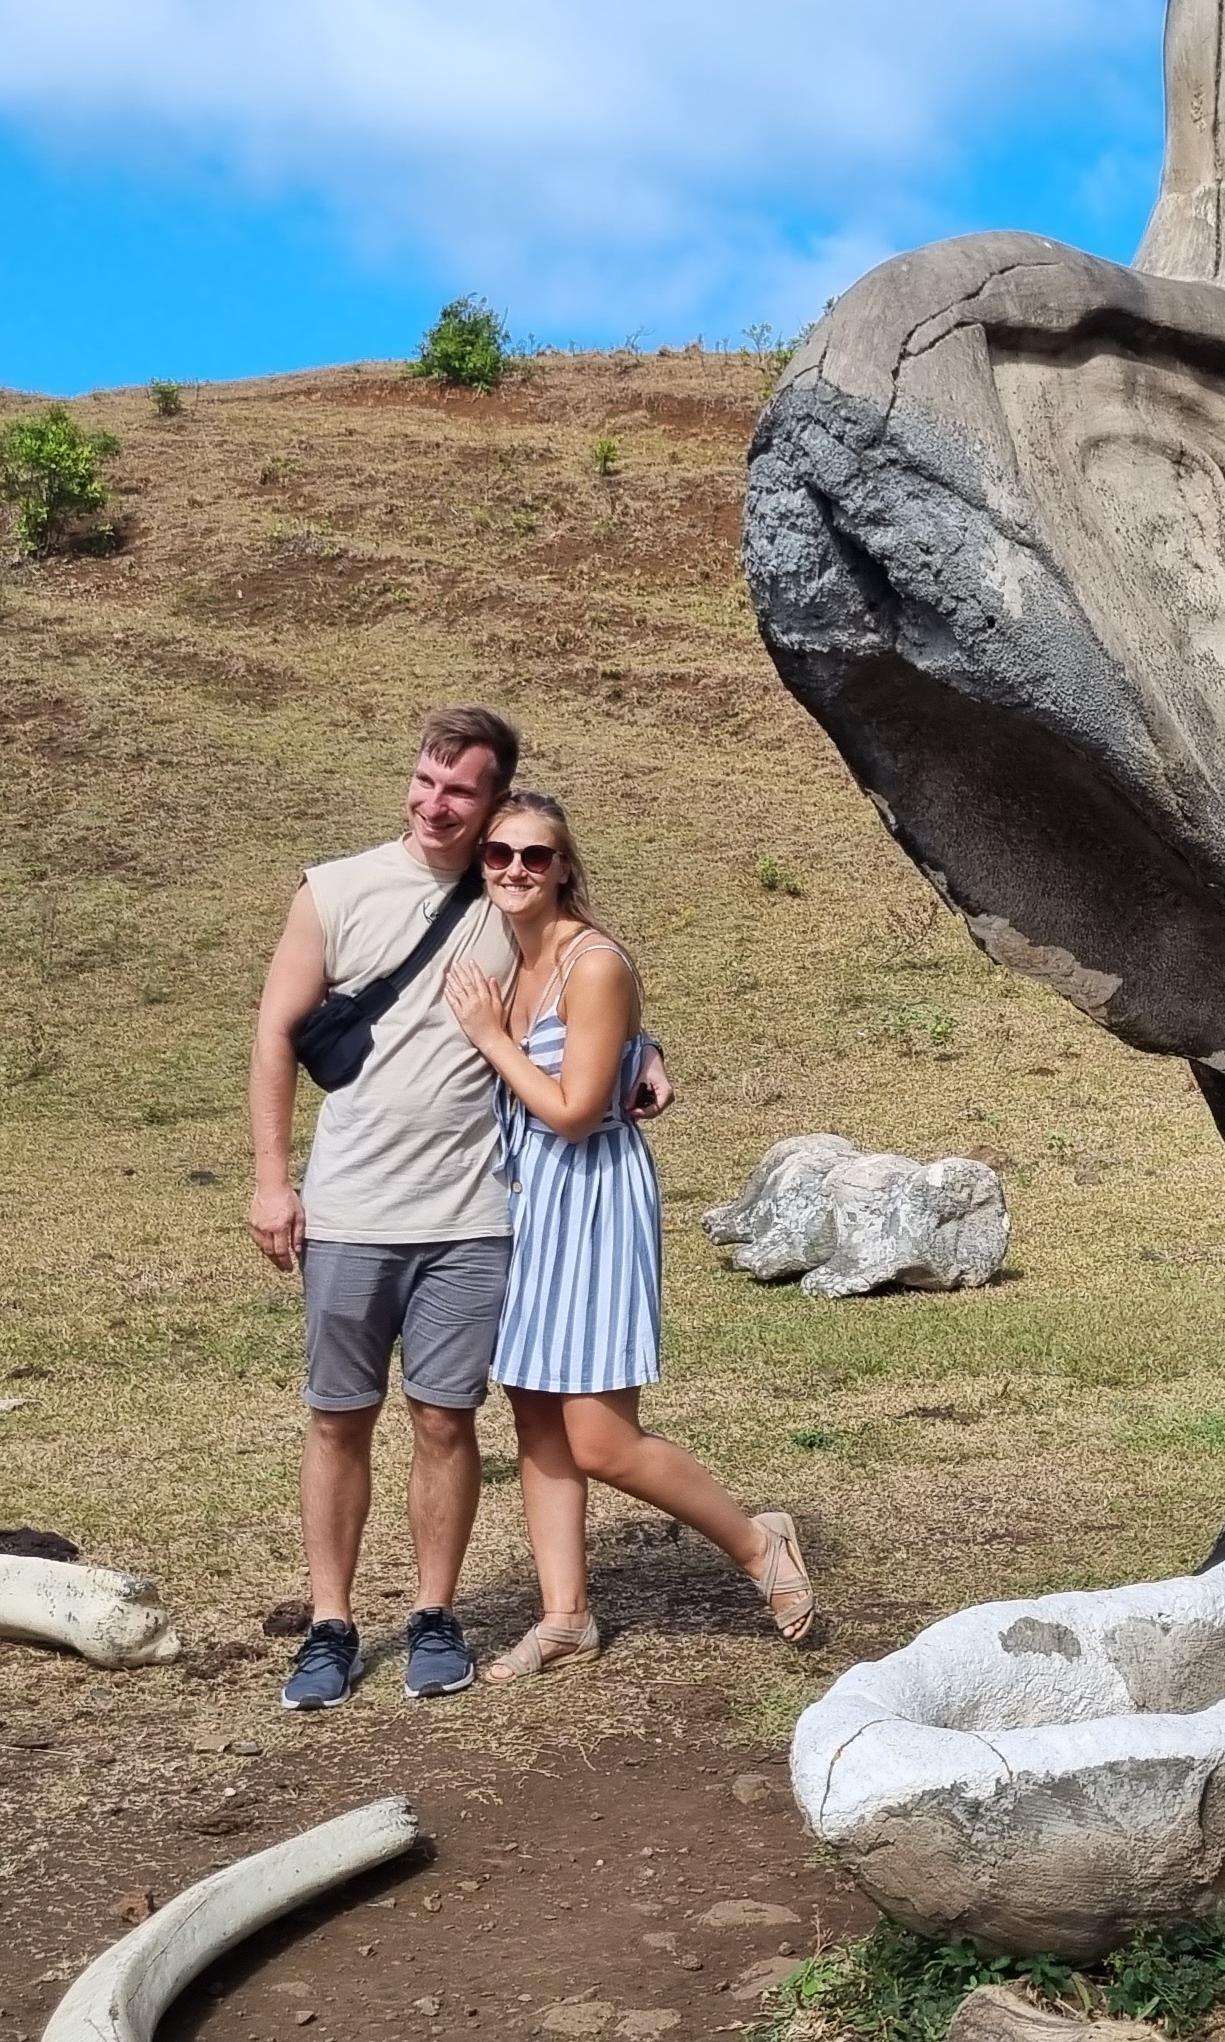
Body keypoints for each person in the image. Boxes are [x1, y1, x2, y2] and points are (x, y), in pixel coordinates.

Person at [243, 708, 671, 1710]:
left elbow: (585, 979)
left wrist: (644, 1050)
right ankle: (331, 1624)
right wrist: (271, 1178)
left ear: (494, 803)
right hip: (351, 1208)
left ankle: (434, 1616)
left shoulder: (505, 892)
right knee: (338, 1419)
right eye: (426, 781)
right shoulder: (334, 889)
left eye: (461, 791)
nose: (436, 805)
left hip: (474, 1216)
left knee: (445, 1419)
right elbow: (274, 1033)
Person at [441, 790, 817, 1679]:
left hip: (590, 1198)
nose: (515, 870)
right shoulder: (504, 952)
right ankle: (565, 1615)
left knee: (600, 1439)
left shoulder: (593, 962)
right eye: (499, 854)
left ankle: (757, 1543)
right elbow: (607, 1048)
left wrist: (491, 1037)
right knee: (535, 1413)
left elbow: (575, 1112)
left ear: (564, 866)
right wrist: (645, 1049)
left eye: (536, 856)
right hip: (522, 1202)